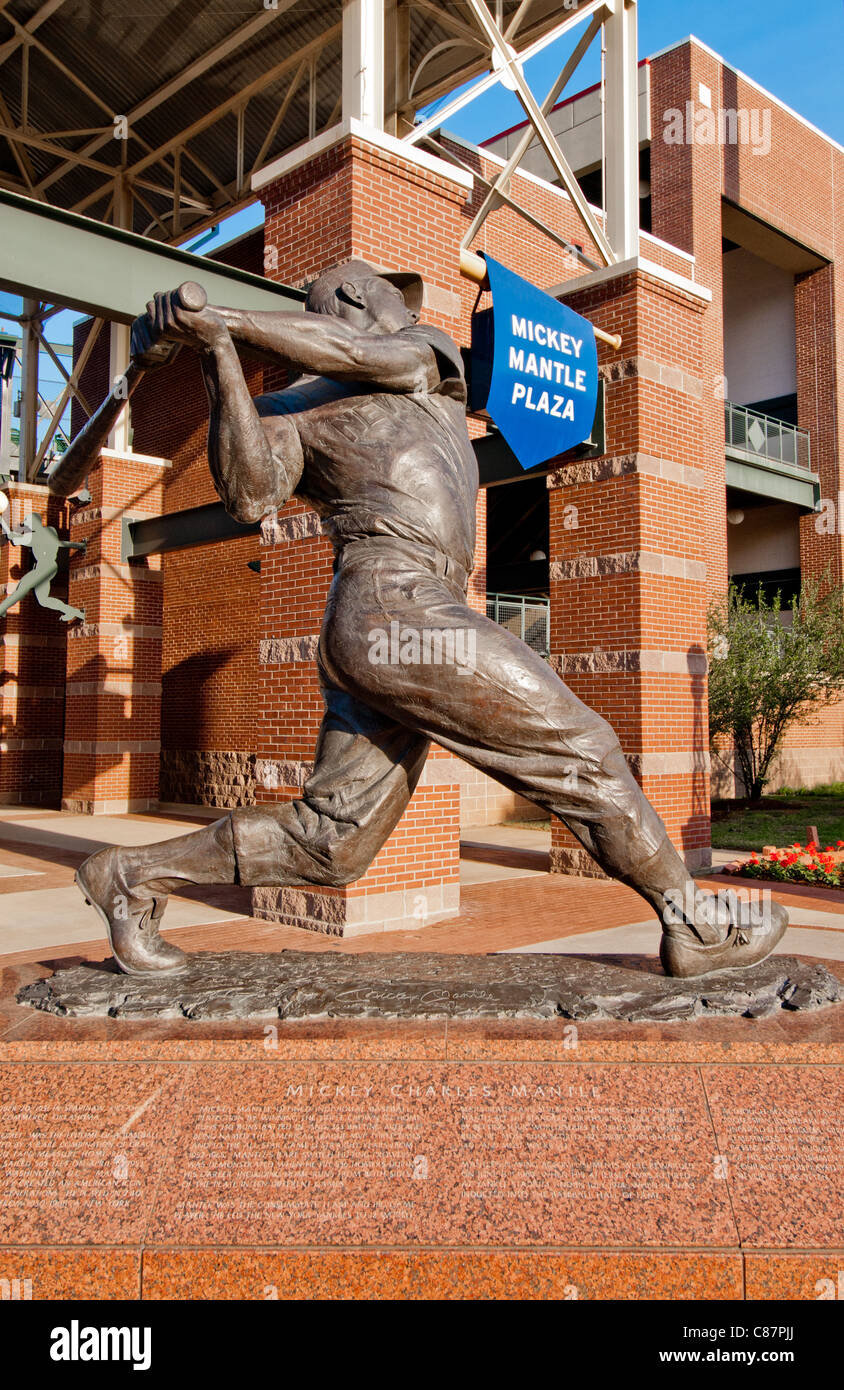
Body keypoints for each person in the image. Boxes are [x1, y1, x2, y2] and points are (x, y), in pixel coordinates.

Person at [75, 260, 787, 977]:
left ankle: (129, 876)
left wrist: (222, 322)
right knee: (582, 743)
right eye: (393, 293)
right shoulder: (289, 409)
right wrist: (217, 356)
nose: (403, 305)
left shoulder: (423, 356)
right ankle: (690, 921)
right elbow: (249, 494)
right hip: (389, 601)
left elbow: (357, 355)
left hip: (399, 615)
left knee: (331, 843)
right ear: (358, 294)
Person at [0, 507, 84, 623]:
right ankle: (74, 612)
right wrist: (79, 546)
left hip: (44, 567)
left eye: (27, 522)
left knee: (23, 586)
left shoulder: (34, 536)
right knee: (43, 600)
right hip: (50, 566)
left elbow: (17, 540)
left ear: (34, 522)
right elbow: (58, 543)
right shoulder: (51, 531)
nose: (25, 525)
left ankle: (2, 609)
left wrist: (6, 527)